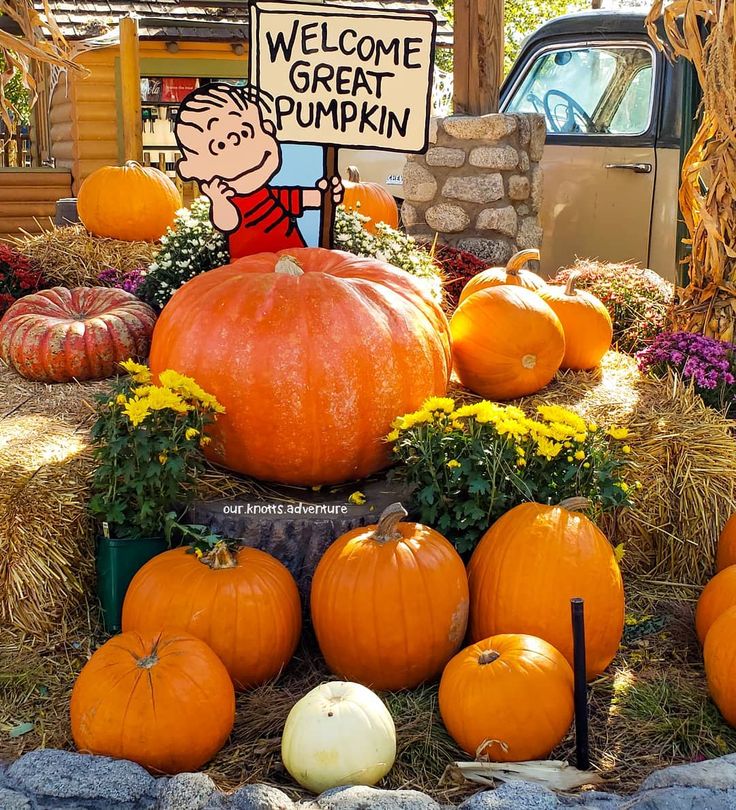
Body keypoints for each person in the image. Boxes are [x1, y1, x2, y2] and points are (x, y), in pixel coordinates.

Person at [175, 82, 343, 258]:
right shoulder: (231, 201)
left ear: (267, 130)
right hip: (248, 267)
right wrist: (218, 200)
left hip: (296, 263)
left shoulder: (268, 195)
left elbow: (295, 198)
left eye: (246, 132)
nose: (242, 151)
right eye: (220, 145)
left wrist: (326, 196)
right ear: (195, 169)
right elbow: (227, 223)